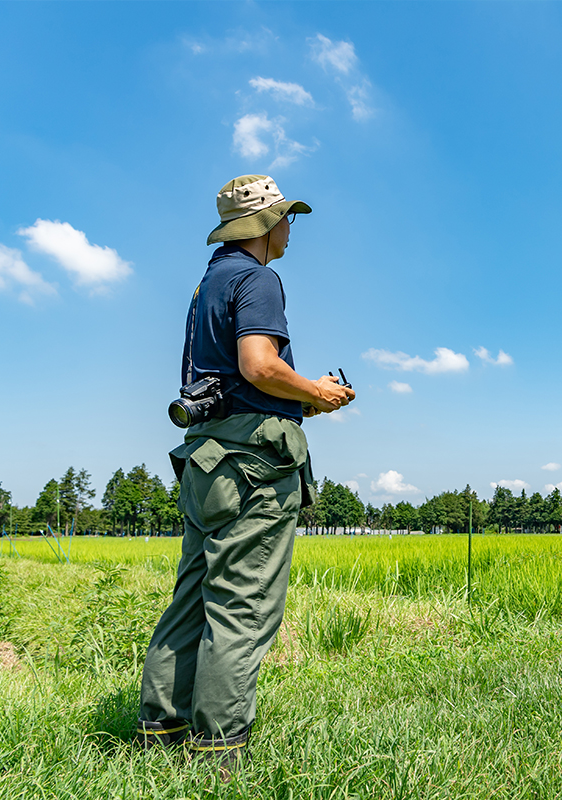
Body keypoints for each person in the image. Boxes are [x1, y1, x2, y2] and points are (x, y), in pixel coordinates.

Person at [136, 175, 354, 766]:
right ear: (263, 224)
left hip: (207, 458)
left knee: (193, 597)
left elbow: (233, 382)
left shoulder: (210, 282)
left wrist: (301, 397)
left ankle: (160, 733)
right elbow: (258, 366)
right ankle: (219, 752)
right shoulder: (259, 278)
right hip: (253, 463)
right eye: (286, 217)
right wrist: (319, 391)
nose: (290, 228)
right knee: (242, 605)